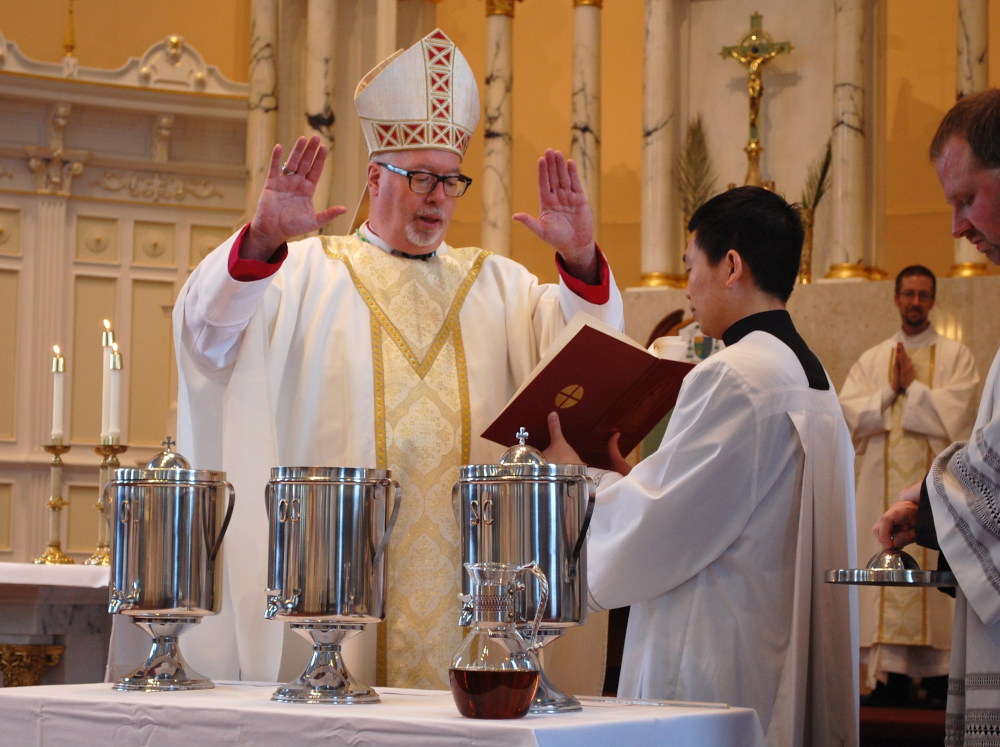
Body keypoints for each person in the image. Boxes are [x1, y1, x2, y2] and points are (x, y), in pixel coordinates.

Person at [135, 29, 624, 688]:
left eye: (452, 181)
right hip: (332, 595)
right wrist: (260, 240)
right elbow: (207, 335)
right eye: (420, 177)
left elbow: (583, 360)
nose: (438, 198)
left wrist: (581, 262)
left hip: (477, 605)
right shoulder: (303, 272)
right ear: (374, 177)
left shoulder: (499, 286)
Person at [544, 186, 858, 746]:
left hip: (714, 664)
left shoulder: (733, 374)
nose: (686, 287)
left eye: (691, 266)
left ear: (731, 265)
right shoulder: (811, 376)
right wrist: (630, 482)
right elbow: (719, 510)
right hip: (773, 649)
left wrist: (577, 479)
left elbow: (658, 534)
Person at [874, 88, 1000, 744]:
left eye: (965, 199)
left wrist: (933, 497)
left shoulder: (951, 354)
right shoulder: (879, 355)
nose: (955, 226)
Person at [840, 265, 978, 703]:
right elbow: (850, 414)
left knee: (934, 591)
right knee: (884, 580)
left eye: (924, 294)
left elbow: (960, 417)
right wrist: (887, 393)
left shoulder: (957, 356)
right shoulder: (872, 358)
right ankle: (891, 676)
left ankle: (938, 677)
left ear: (933, 301)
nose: (915, 302)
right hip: (881, 490)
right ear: (896, 299)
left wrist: (913, 389)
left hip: (938, 492)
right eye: (909, 294)